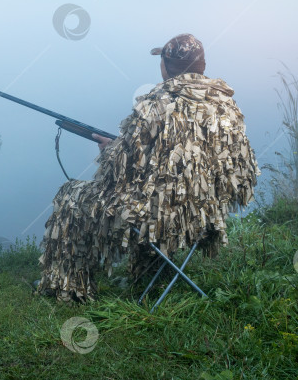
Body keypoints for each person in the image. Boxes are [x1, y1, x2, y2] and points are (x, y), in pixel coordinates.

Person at [36, 33, 259, 302]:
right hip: (203, 213)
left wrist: (109, 149)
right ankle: (154, 277)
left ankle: (67, 287)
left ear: (167, 66)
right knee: (155, 195)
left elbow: (119, 172)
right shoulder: (225, 102)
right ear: (202, 64)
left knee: (71, 195)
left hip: (160, 217)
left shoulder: (155, 102)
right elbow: (242, 169)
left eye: (162, 61)